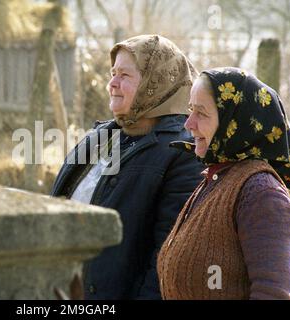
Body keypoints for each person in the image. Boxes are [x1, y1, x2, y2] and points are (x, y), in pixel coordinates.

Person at [51, 35, 204, 299]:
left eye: (124, 75)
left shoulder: (183, 153)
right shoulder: (98, 137)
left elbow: (166, 259)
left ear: (156, 83)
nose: (112, 83)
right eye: (113, 73)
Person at [157, 67, 290, 300]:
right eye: (191, 110)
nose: (189, 123)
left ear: (234, 123)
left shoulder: (260, 193)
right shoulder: (216, 179)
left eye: (202, 113)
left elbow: (274, 292)